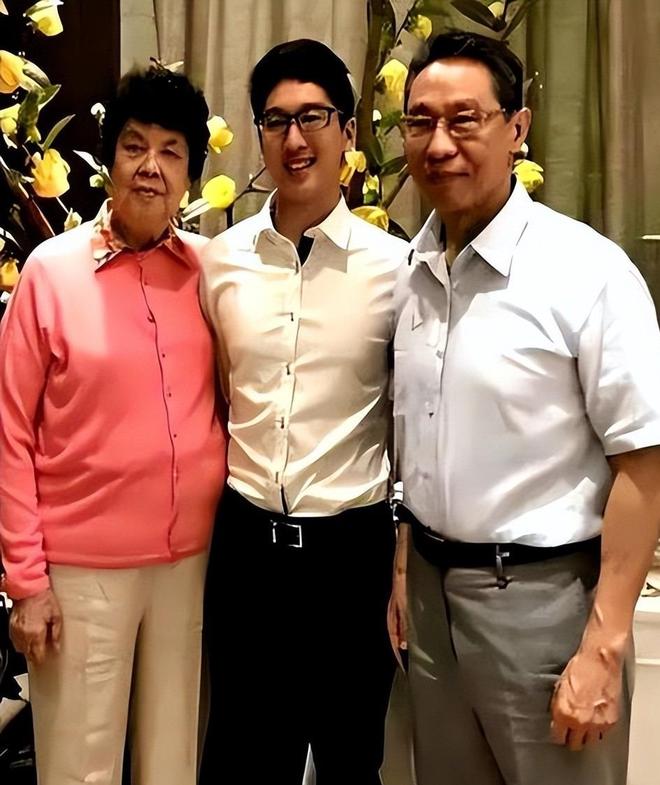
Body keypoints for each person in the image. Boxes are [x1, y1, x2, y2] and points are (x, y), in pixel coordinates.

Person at [387, 31, 660, 785]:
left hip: (545, 609)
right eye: (420, 122)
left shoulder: (586, 272)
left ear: (517, 128)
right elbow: (421, 440)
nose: (440, 144)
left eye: (464, 119)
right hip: (432, 604)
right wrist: (405, 562)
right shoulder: (413, 271)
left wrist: (604, 644)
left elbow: (644, 462)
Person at [0, 66, 227, 785]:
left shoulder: (208, 271)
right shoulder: (51, 272)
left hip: (189, 565)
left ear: (189, 174)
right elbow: (10, 432)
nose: (151, 166)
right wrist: (26, 581)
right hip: (82, 571)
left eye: (171, 151)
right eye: (135, 146)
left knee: (173, 764)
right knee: (79, 767)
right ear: (110, 160)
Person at [199, 38, 407, 785]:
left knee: (352, 762)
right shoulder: (221, 261)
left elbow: (409, 418)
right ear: (259, 134)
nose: (294, 138)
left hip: (351, 558)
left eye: (313, 117)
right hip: (246, 551)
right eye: (276, 120)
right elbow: (218, 391)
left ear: (348, 132)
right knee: (243, 762)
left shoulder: (397, 270)